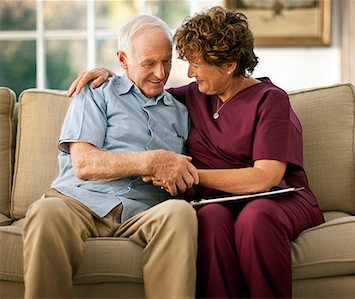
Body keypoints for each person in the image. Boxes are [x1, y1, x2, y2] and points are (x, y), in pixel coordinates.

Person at [69, 6, 325, 298]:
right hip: (219, 201)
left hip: (278, 197)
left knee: (256, 218)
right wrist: (110, 76)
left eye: (197, 65)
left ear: (229, 65)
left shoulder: (270, 100)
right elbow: (142, 89)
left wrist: (189, 174)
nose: (188, 73)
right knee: (210, 218)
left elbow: (265, 177)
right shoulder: (193, 96)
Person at [22, 15, 199, 299]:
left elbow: (187, 178)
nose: (160, 73)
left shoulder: (183, 111)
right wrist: (150, 161)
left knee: (180, 213)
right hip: (80, 201)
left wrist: (181, 181)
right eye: (149, 63)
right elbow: (84, 164)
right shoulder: (95, 92)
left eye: (166, 61)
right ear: (123, 59)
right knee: (46, 213)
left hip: (145, 210)